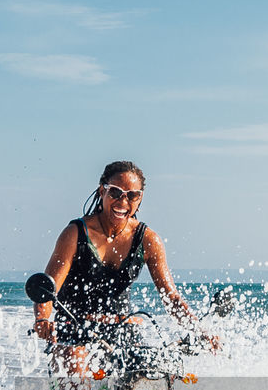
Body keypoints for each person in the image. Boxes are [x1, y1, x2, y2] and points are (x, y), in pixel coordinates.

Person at [33, 160, 219, 376]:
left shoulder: (148, 240)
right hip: (74, 329)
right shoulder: (74, 234)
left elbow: (172, 299)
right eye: (116, 193)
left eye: (132, 195)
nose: (123, 201)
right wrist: (42, 319)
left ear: (140, 199)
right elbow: (48, 289)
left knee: (153, 387)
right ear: (102, 191)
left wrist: (200, 331)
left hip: (124, 331)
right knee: (79, 389)